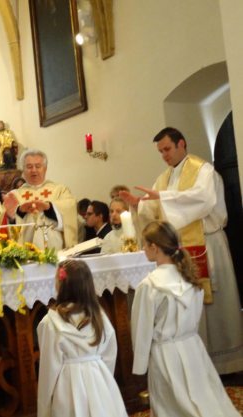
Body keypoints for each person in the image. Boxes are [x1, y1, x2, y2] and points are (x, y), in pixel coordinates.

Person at [121, 127, 243, 374]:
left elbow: (203, 200)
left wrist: (163, 198)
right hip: (183, 250)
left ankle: (227, 364)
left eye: (167, 149)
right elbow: (155, 210)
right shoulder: (164, 178)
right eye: (160, 152)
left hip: (209, 244)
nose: (164, 155)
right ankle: (199, 361)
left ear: (181, 144)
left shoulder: (203, 170)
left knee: (215, 306)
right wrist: (138, 206)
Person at [131, 221, 240, 417]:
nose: (143, 249)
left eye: (145, 244)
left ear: (154, 248)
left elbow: (141, 328)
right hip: (193, 348)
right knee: (204, 396)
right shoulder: (190, 277)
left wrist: (140, 364)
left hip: (165, 353)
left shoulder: (149, 285)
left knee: (170, 405)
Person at [37, 259, 127, 417]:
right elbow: (109, 355)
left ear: (61, 286)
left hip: (67, 387)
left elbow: (48, 369)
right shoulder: (98, 316)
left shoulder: (50, 322)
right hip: (99, 379)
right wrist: (101, 379)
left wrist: (44, 409)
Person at [4, 149, 77, 250]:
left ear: (45, 168)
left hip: (55, 252)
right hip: (26, 254)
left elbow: (70, 208)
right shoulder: (15, 195)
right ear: (23, 170)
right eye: (29, 167)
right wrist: (18, 212)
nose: (34, 170)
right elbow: (8, 226)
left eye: (38, 166)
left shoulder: (59, 190)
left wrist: (49, 207)